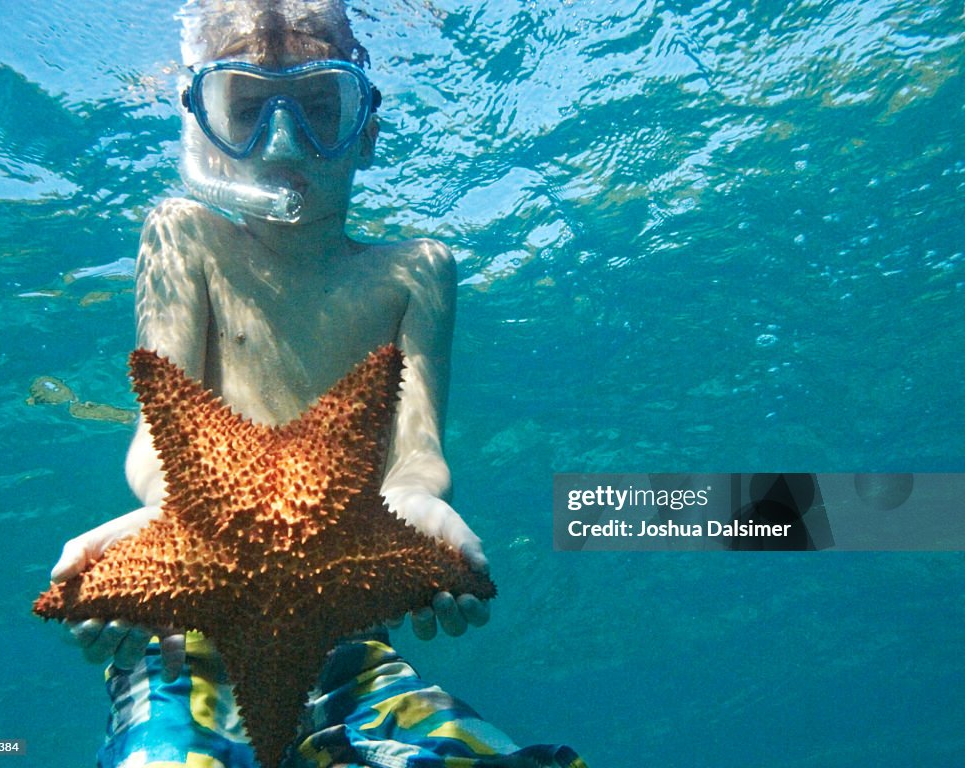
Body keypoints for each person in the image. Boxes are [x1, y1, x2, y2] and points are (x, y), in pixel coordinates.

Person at [49, 1, 587, 766]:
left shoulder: (416, 272)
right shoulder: (183, 235)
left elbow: (416, 454)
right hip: (188, 621)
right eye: (246, 112)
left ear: (365, 131)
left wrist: (418, 507)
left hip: (345, 627)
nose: (280, 141)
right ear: (205, 131)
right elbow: (154, 439)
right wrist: (169, 525)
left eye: (318, 111)